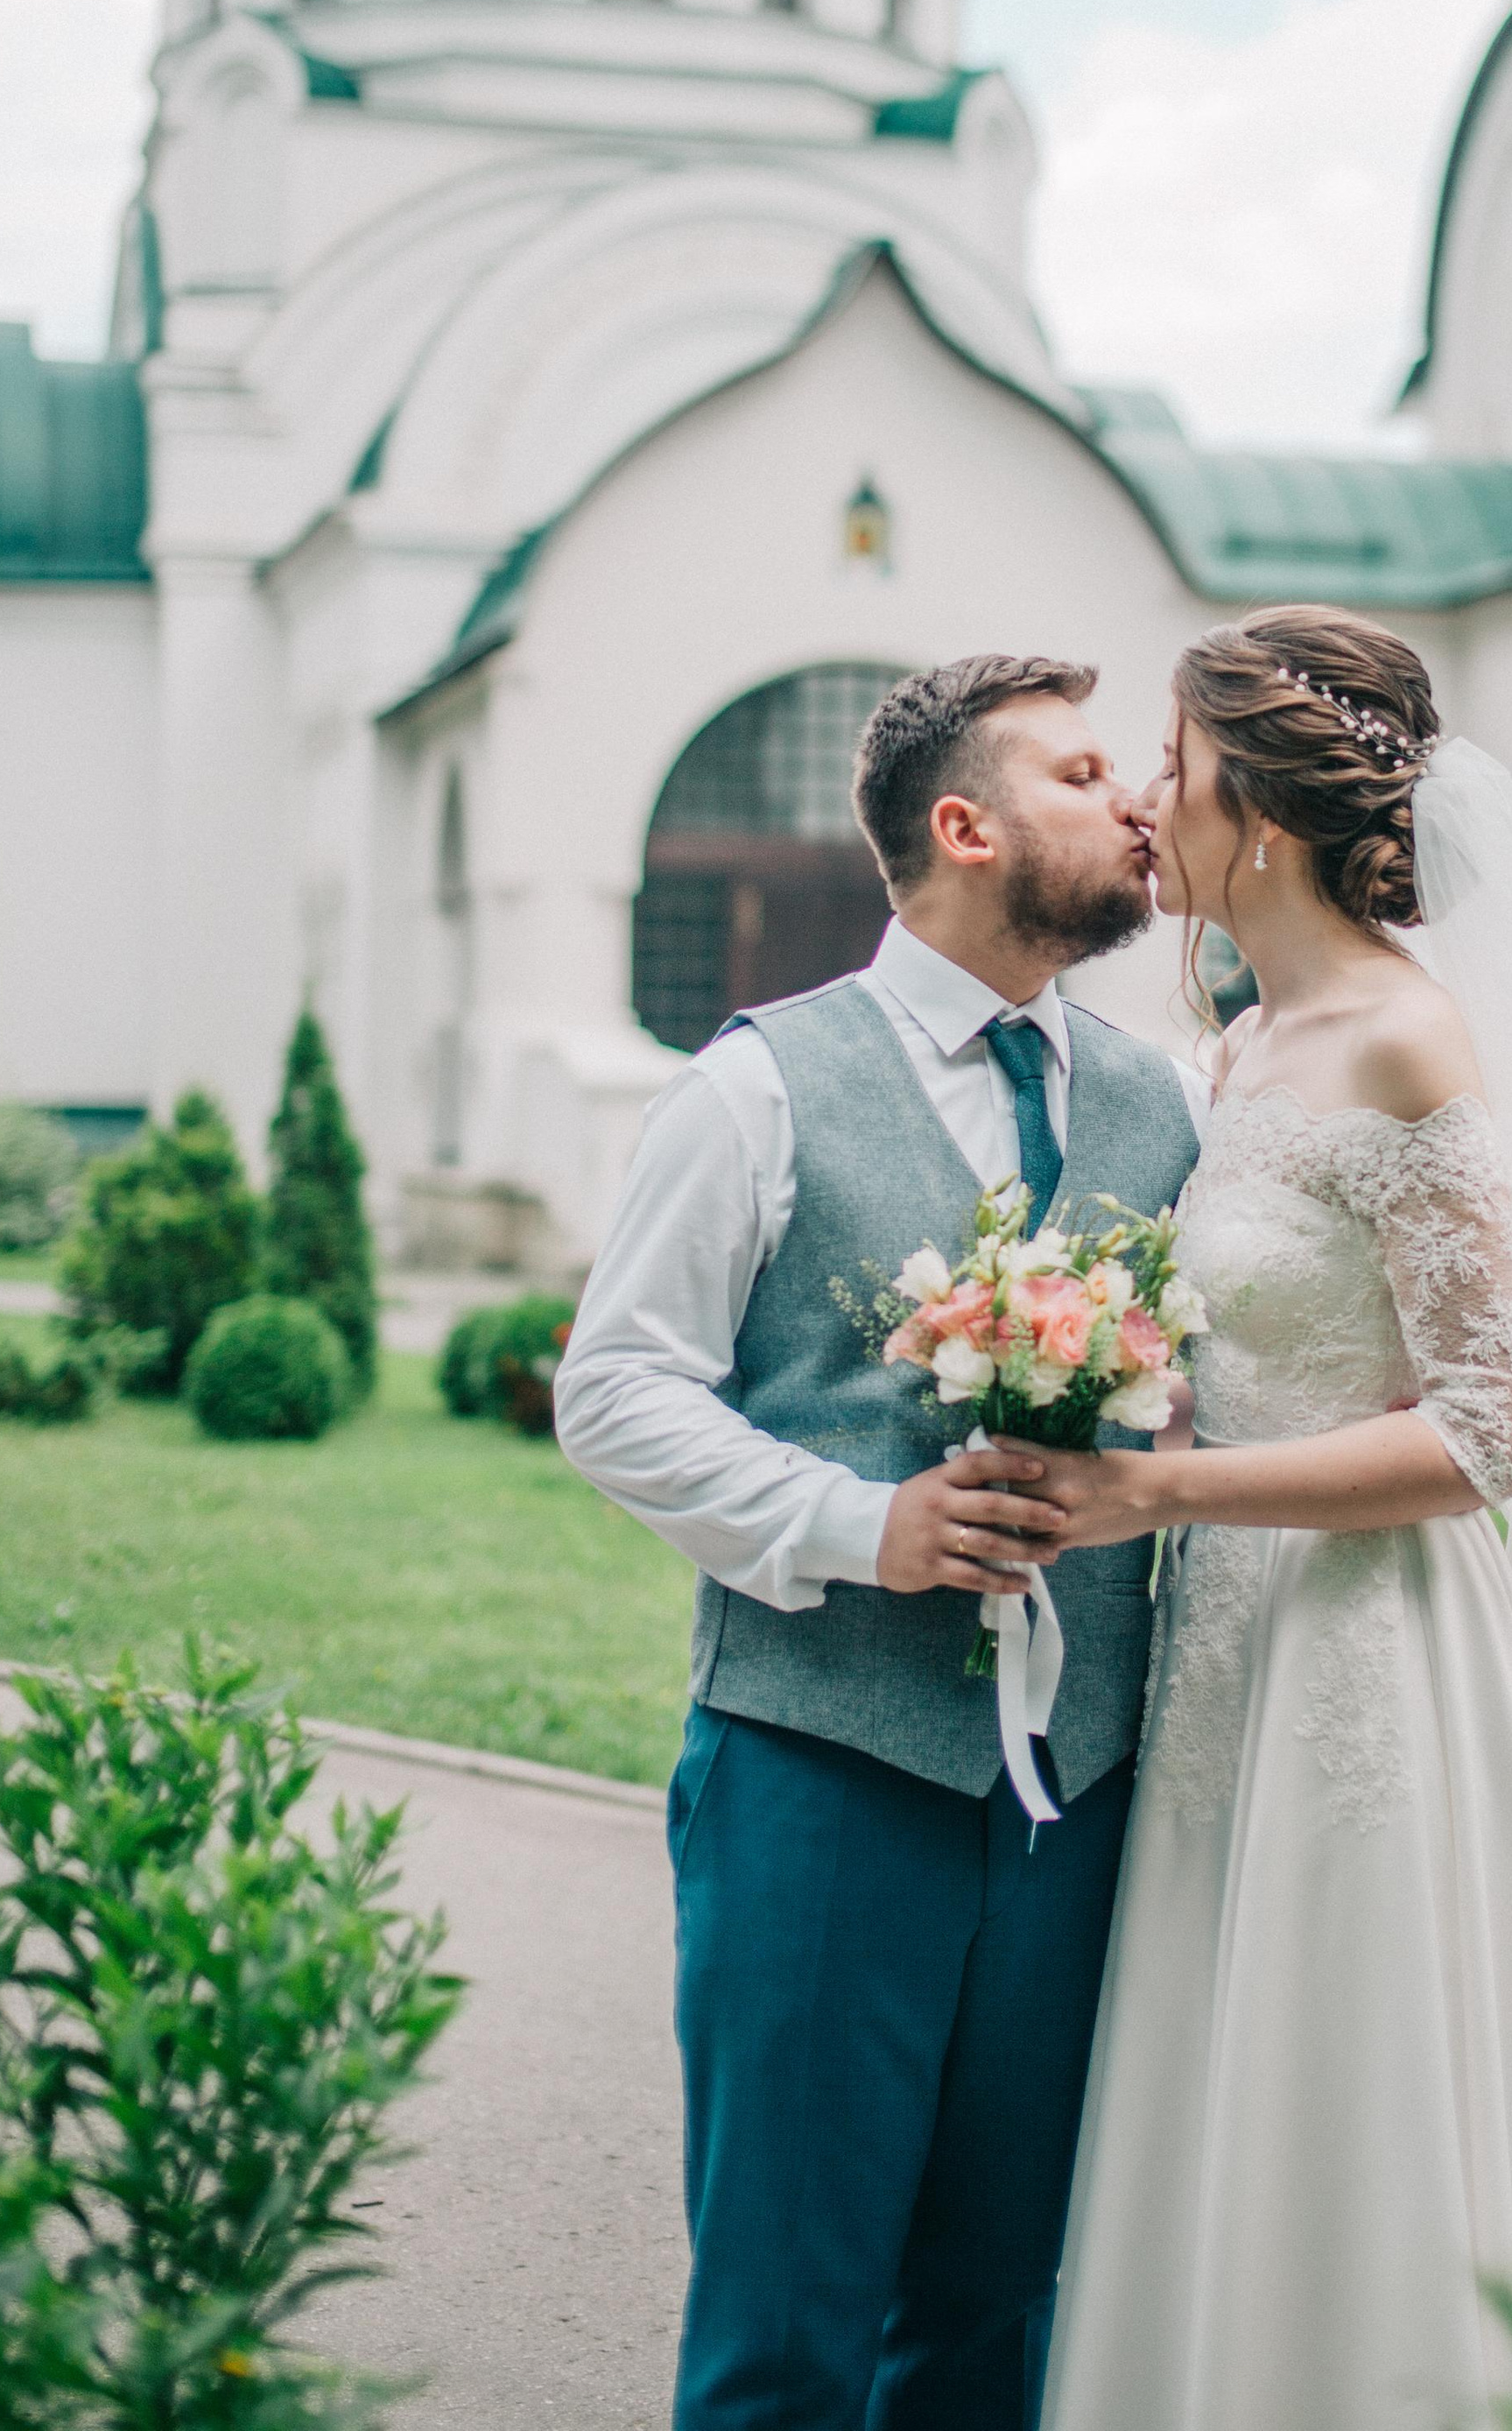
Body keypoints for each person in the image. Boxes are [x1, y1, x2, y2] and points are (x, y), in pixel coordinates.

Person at [1030, 607, 1512, 2431]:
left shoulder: (1405, 1040)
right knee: (1225, 2074)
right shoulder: (1232, 1045)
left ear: (1260, 820)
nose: (1147, 794)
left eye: (1172, 762)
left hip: (1366, 1648)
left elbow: (1487, 1429)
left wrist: (1152, 1488)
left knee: (1360, 2070)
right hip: (1223, 1655)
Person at [553, 653, 1205, 2431]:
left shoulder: (1164, 1109)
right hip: (819, 1780)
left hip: (1080, 1807)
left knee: (993, 2318)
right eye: (1084, 774)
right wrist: (862, 1525)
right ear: (963, 825)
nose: (1133, 800)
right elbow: (613, 1391)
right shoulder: (753, 1090)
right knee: (785, 2328)